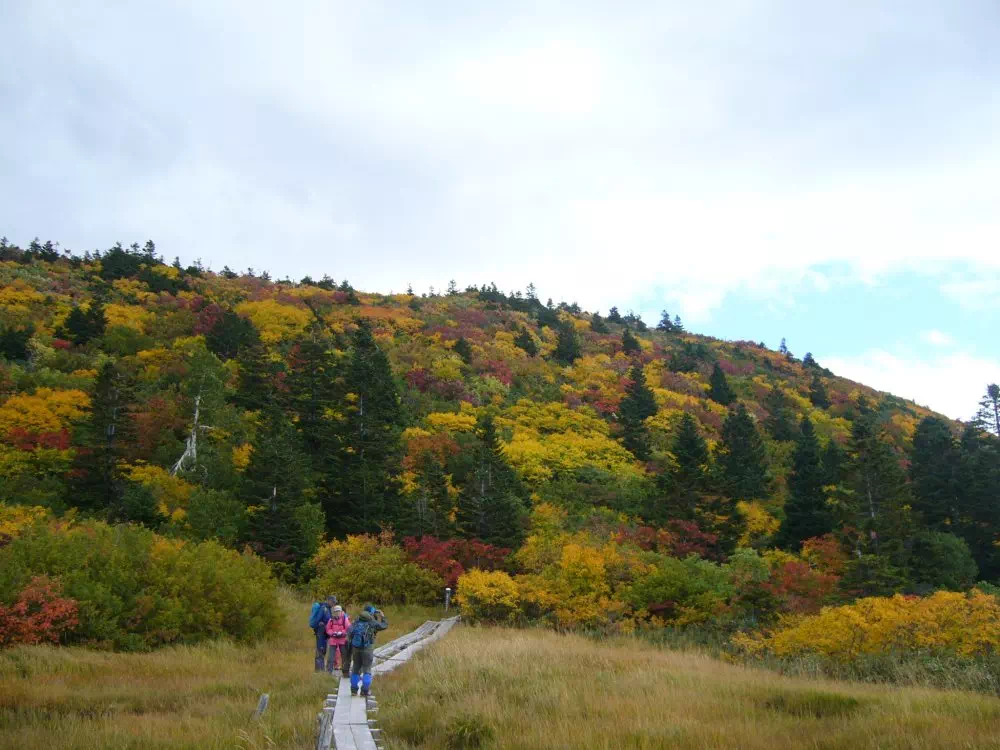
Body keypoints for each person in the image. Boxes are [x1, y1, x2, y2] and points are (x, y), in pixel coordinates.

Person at [347, 603, 388, 697]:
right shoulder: (371, 621)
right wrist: (382, 616)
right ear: (371, 612)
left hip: (356, 647)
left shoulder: (357, 620)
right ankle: (365, 691)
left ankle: (353, 690)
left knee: (356, 668)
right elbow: (384, 625)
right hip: (367, 648)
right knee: (367, 669)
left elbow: (349, 631)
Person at [309, 595, 337, 672]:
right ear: (329, 600)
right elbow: (318, 619)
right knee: (320, 650)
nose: (334, 604)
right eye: (333, 602)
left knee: (323, 650)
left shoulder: (328, 609)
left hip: (325, 634)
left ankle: (321, 670)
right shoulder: (323, 608)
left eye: (335, 602)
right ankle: (318, 671)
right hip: (321, 633)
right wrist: (321, 626)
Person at [325, 604, 351, 676]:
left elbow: (348, 628)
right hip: (333, 640)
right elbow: (328, 629)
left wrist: (342, 633)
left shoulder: (344, 619)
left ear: (341, 611)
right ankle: (328, 673)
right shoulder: (331, 620)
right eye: (336, 611)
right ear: (334, 612)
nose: (337, 612)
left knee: (344, 657)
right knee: (331, 657)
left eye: (338, 611)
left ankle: (345, 672)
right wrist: (333, 633)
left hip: (342, 640)